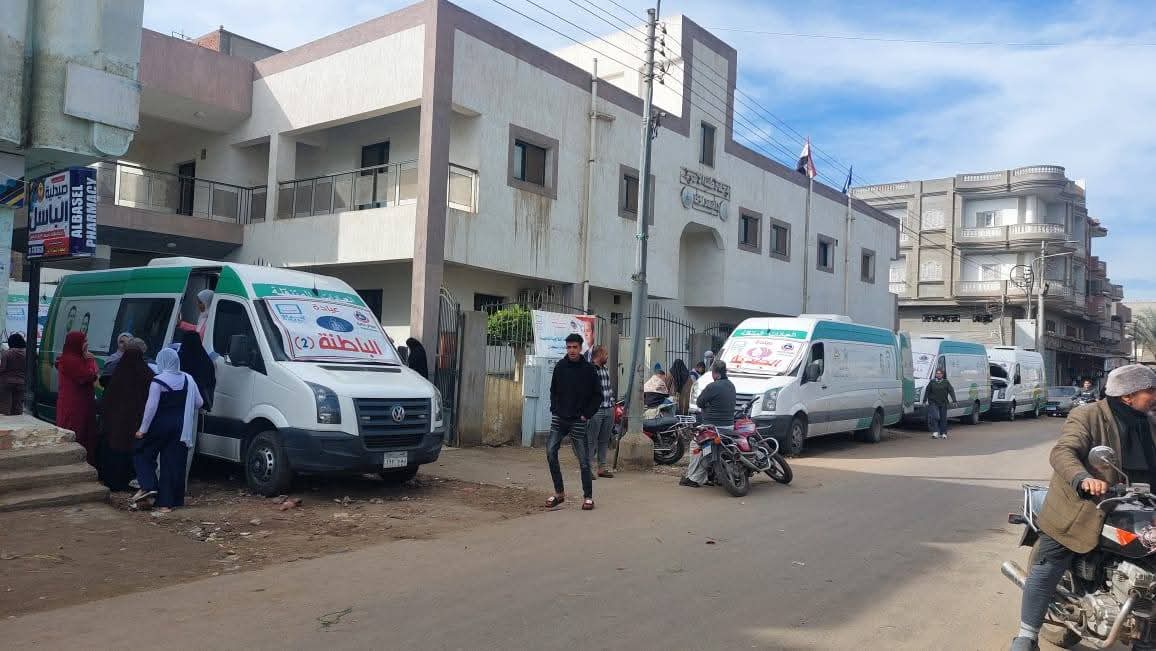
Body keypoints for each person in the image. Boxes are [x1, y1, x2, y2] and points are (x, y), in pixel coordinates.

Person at [1010, 364, 1156, 651]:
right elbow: (1064, 451)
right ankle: (1026, 636)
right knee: (1050, 564)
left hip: (1139, 506)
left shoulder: (1149, 421)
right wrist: (1084, 478)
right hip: (1084, 505)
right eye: (1150, 391)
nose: (1155, 396)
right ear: (1127, 396)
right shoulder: (1087, 415)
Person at [133, 349, 203, 512]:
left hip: (160, 425)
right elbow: (199, 403)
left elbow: (151, 407)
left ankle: (149, 485)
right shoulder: (189, 379)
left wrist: (142, 430)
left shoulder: (158, 380)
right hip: (181, 427)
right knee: (172, 463)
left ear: (162, 361)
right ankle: (167, 503)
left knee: (142, 452)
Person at [545, 333, 601, 511]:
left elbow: (597, 396)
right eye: (568, 347)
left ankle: (588, 497)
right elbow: (553, 390)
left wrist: (586, 415)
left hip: (578, 420)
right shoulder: (560, 367)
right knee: (550, 452)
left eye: (574, 347)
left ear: (580, 348)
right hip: (560, 418)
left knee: (584, 461)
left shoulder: (589, 370)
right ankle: (559, 493)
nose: (571, 350)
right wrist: (555, 408)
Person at [97, 348, 153, 491]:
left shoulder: (118, 373)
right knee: (132, 449)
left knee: (115, 450)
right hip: (136, 421)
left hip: (117, 422)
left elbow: (108, 399)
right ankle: (130, 480)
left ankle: (112, 481)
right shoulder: (146, 373)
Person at [681, 360, 737, 488]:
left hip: (712, 427)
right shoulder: (731, 385)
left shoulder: (712, 386)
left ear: (715, 373)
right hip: (729, 427)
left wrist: (707, 405)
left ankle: (693, 478)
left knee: (695, 445)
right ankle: (711, 475)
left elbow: (700, 402)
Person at [56, 331, 99, 465]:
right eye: (84, 341)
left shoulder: (75, 359)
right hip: (75, 405)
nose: (86, 344)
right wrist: (91, 360)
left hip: (80, 404)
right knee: (76, 433)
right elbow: (89, 375)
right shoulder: (71, 360)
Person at [585, 345, 615, 479]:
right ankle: (587, 469)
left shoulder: (605, 369)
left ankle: (602, 468)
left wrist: (612, 403)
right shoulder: (589, 370)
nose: (607, 356)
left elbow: (608, 388)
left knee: (604, 440)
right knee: (591, 441)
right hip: (596, 410)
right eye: (605, 354)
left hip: (608, 408)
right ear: (599, 355)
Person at [925, 368, 957, 440]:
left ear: (942, 375)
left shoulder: (946, 382)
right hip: (933, 402)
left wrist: (954, 400)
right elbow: (927, 391)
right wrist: (924, 400)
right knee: (935, 416)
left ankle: (943, 433)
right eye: (937, 373)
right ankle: (935, 432)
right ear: (935, 374)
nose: (938, 375)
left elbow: (951, 391)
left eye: (940, 373)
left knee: (943, 418)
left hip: (943, 402)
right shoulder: (932, 382)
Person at [0, 333, 26, 415]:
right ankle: (18, 420)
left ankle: (8, 421)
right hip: (21, 382)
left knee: (5, 406)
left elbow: (2, 368)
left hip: (6, 382)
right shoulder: (28, 354)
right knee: (18, 406)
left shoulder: (7, 353)